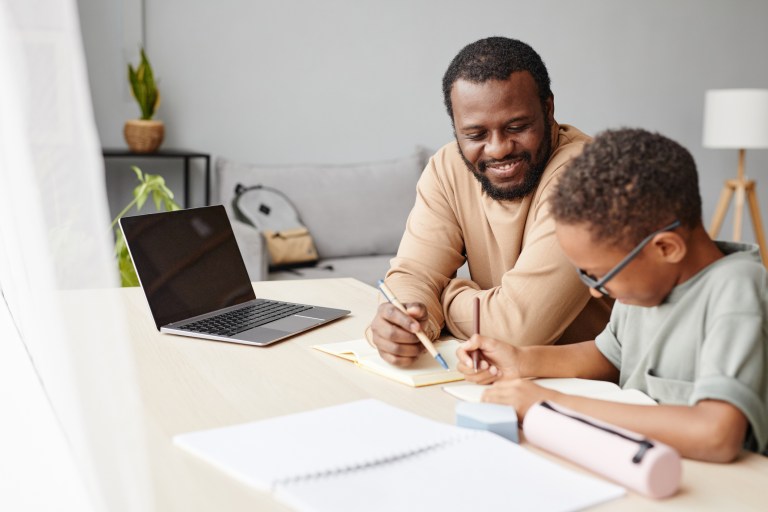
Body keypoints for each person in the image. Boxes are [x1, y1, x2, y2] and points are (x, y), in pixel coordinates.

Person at [457, 128, 768, 462]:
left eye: (602, 276)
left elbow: (716, 434)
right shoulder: (646, 286)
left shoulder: (737, 289)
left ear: (666, 248)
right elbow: (610, 356)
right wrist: (520, 360)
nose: (595, 291)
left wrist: (549, 404)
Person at [368, 36, 611, 367]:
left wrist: (445, 297)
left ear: (548, 109)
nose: (498, 149)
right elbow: (413, 275)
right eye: (475, 135)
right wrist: (405, 319)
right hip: (496, 379)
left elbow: (519, 329)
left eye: (517, 127)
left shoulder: (589, 173)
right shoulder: (447, 167)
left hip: (592, 387)